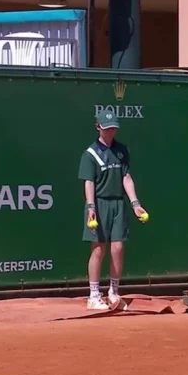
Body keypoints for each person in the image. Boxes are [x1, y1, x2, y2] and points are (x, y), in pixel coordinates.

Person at [78, 109, 147, 310]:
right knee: (98, 249)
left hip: (118, 204)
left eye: (113, 128)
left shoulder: (122, 150)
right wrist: (90, 206)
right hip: (98, 204)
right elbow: (88, 182)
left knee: (117, 248)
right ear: (98, 127)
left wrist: (135, 203)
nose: (110, 132)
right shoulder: (90, 154)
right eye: (106, 128)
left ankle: (114, 293)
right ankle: (93, 295)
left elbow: (126, 177)